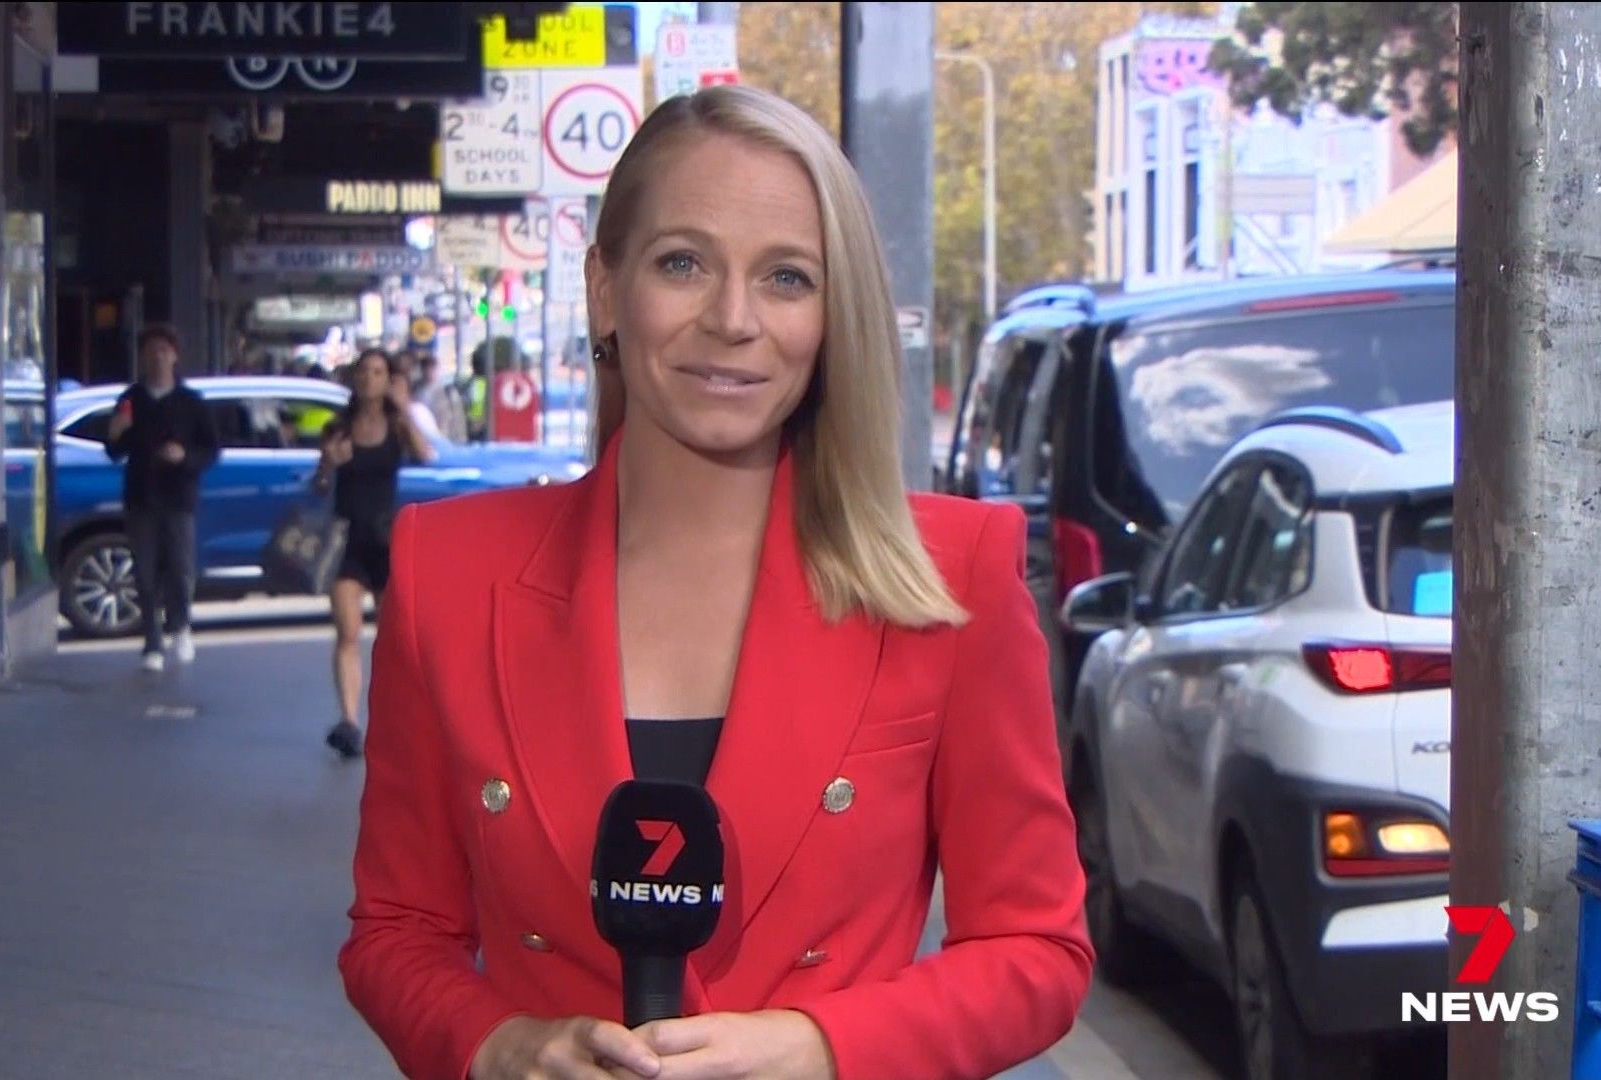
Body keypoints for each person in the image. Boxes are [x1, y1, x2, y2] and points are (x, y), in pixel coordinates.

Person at [339, 86, 1092, 1080]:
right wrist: (494, 1044)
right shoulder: (450, 571)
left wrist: (824, 1048)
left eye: (786, 278)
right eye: (683, 263)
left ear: (833, 315)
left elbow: (1037, 950)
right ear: (606, 289)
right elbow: (396, 929)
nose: (733, 320)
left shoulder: (953, 576)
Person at [315, 348, 435, 759]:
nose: (370, 378)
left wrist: (404, 406)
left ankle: (392, 720)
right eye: (364, 371)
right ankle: (349, 721)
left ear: (388, 381)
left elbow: (426, 454)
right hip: (347, 541)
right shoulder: (338, 428)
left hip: (385, 541)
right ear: (355, 379)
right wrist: (329, 464)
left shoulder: (397, 425)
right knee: (347, 633)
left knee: (392, 639)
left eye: (378, 372)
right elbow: (318, 486)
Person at [105, 324, 219, 672]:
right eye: (151, 351)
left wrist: (185, 457)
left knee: (181, 568)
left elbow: (211, 449)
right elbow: (115, 450)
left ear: (175, 356)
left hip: (179, 497)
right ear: (142, 357)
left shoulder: (191, 402)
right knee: (144, 572)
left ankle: (180, 626)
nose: (158, 357)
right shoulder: (131, 399)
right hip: (142, 496)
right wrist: (115, 433)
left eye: (164, 350)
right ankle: (152, 640)